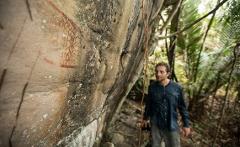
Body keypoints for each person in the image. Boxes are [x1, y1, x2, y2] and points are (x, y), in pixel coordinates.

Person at [142, 62, 190, 147]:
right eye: (156, 71)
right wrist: (145, 118)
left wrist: (186, 125)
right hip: (156, 124)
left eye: (161, 72)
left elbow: (182, 107)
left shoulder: (177, 88)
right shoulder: (152, 87)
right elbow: (148, 104)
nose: (158, 74)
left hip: (171, 124)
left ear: (168, 73)